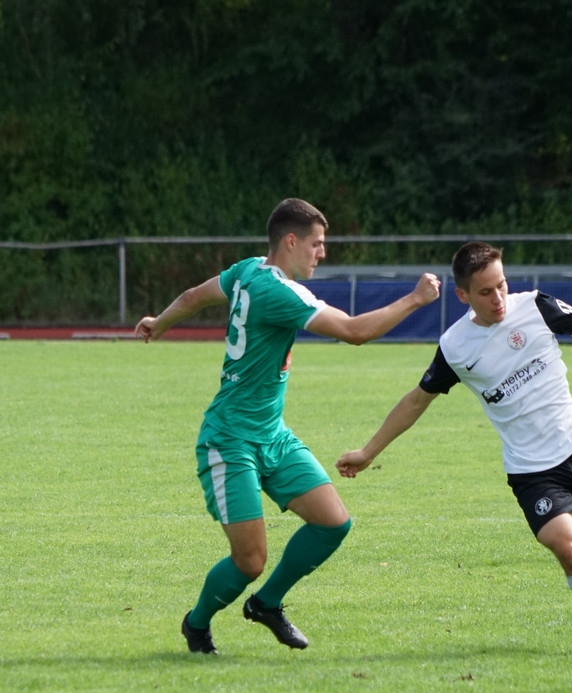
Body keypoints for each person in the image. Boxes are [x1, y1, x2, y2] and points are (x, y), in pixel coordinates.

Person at [336, 241, 572, 659]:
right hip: (532, 473)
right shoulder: (455, 346)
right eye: (485, 292)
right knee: (569, 549)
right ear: (463, 295)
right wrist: (368, 452)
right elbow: (416, 401)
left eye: (501, 285)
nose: (498, 297)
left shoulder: (536, 306)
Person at [135, 197, 441, 654]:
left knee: (333, 523)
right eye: (317, 244)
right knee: (250, 561)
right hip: (230, 439)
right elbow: (355, 331)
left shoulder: (247, 269)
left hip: (272, 434)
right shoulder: (280, 291)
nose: (322, 253)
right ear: (291, 241)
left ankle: (266, 604)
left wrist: (160, 322)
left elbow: (193, 297)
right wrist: (416, 299)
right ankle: (196, 624)